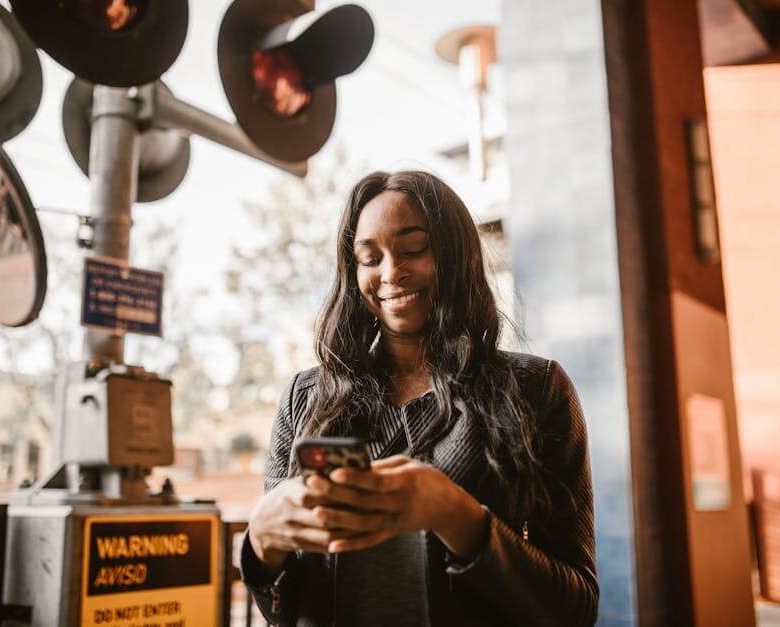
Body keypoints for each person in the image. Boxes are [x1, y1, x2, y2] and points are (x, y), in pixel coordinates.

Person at [239, 170, 598, 626]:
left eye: (413, 249)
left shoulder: (536, 388)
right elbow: (281, 612)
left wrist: (455, 514)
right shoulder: (305, 398)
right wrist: (261, 544)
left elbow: (577, 607)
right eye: (370, 258)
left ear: (455, 253)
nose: (391, 272)